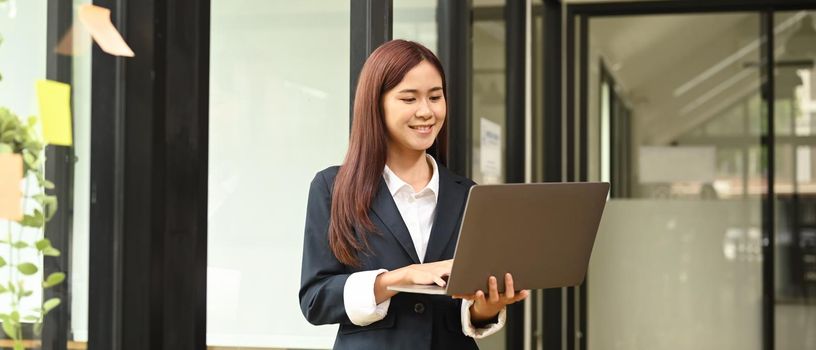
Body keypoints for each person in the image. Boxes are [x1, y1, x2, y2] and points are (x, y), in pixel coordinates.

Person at [299, 39, 528, 350]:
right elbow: (316, 300)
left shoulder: (467, 194)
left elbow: (463, 307)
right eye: (409, 98)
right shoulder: (333, 187)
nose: (426, 111)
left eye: (435, 97)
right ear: (376, 105)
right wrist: (397, 279)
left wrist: (485, 307)